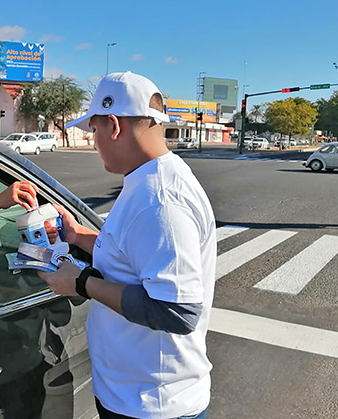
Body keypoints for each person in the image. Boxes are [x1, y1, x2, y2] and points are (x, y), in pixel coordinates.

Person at [38, 72, 216, 419]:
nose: (94, 141)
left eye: (94, 130)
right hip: (134, 394)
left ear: (114, 126)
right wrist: (77, 236)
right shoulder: (149, 179)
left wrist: (80, 283)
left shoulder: (160, 199)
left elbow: (177, 312)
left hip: (154, 404)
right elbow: (129, 253)